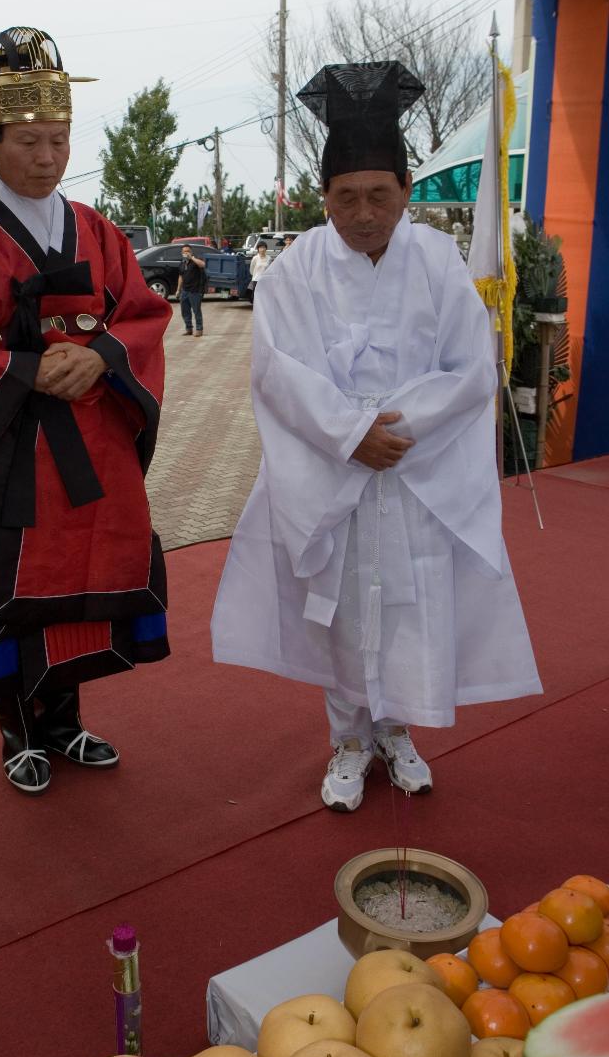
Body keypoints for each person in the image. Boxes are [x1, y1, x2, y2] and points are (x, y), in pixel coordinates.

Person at [212, 61, 541, 813]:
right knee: (340, 604)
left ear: (404, 192)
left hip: (414, 467)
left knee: (407, 597)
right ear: (323, 197)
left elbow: (468, 367)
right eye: (345, 197)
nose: (362, 213)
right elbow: (277, 372)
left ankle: (395, 727)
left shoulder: (435, 259)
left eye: (379, 195)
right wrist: (351, 433)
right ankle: (348, 740)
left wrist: (396, 432)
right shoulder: (294, 270)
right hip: (335, 468)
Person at [0, 26, 172, 796]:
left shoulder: (96, 229)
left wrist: (103, 356)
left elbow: (142, 313)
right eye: (27, 141)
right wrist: (21, 367)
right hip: (10, 447)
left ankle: (63, 721)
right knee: (12, 587)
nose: (46, 158)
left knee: (82, 579)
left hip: (87, 439)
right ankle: (17, 731)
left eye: (59, 139)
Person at [176, 244, 206, 337]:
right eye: (184, 251)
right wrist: (178, 290)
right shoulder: (182, 263)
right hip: (185, 291)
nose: (186, 253)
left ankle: (199, 329)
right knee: (185, 311)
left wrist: (192, 258)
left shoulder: (195, 261)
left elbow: (203, 264)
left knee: (196, 311)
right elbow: (180, 277)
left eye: (187, 251)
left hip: (195, 291)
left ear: (191, 252)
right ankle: (189, 329)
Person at [248, 241, 269, 306]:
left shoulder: (269, 258)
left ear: (266, 249)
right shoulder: (255, 258)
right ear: (258, 249)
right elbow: (251, 269)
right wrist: (255, 276)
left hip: (265, 280)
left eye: (263, 247)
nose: (262, 249)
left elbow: (269, 269)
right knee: (256, 295)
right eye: (260, 248)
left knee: (264, 295)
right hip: (256, 280)